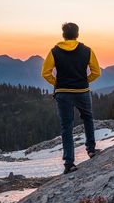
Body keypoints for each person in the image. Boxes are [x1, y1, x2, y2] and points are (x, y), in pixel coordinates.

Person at [41, 22, 102, 174]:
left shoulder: (54, 51)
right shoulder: (87, 50)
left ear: (63, 34)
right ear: (77, 34)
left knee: (66, 126)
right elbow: (96, 72)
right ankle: (91, 149)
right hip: (82, 90)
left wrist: (57, 83)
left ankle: (69, 163)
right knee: (87, 118)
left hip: (63, 93)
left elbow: (45, 73)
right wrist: (85, 80)